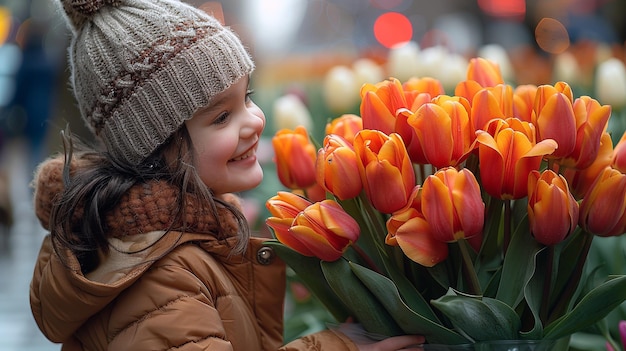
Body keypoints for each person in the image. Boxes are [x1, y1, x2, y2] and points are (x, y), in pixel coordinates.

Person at [29, 0, 425, 350]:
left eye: (247, 98)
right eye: (222, 116)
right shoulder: (161, 276)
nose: (254, 120)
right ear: (152, 145)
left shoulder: (183, 236)